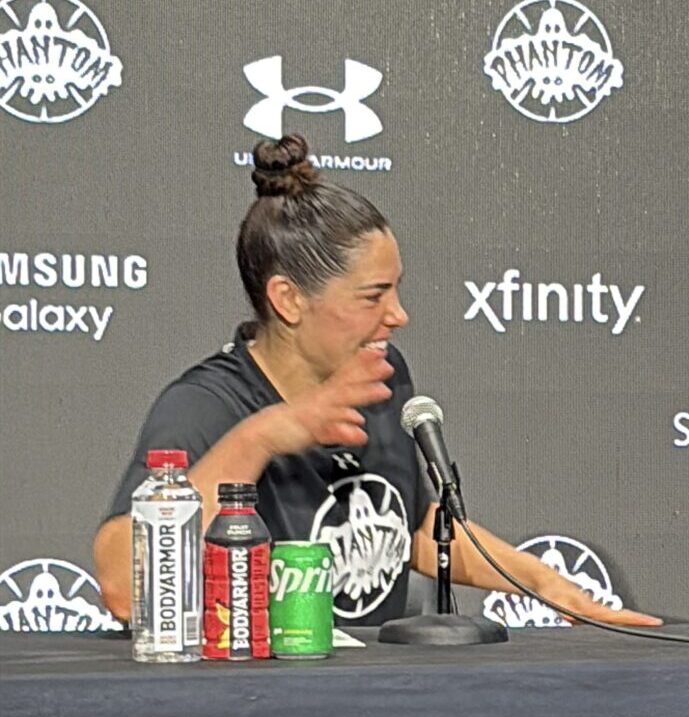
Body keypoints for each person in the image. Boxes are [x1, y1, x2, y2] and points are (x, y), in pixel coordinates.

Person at [93, 135, 659, 629]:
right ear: (288, 299)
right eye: (373, 296)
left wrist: (547, 584)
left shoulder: (380, 376)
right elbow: (122, 586)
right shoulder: (207, 404)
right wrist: (263, 436)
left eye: (395, 290)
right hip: (261, 714)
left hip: (376, 702)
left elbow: (411, 529)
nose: (398, 314)